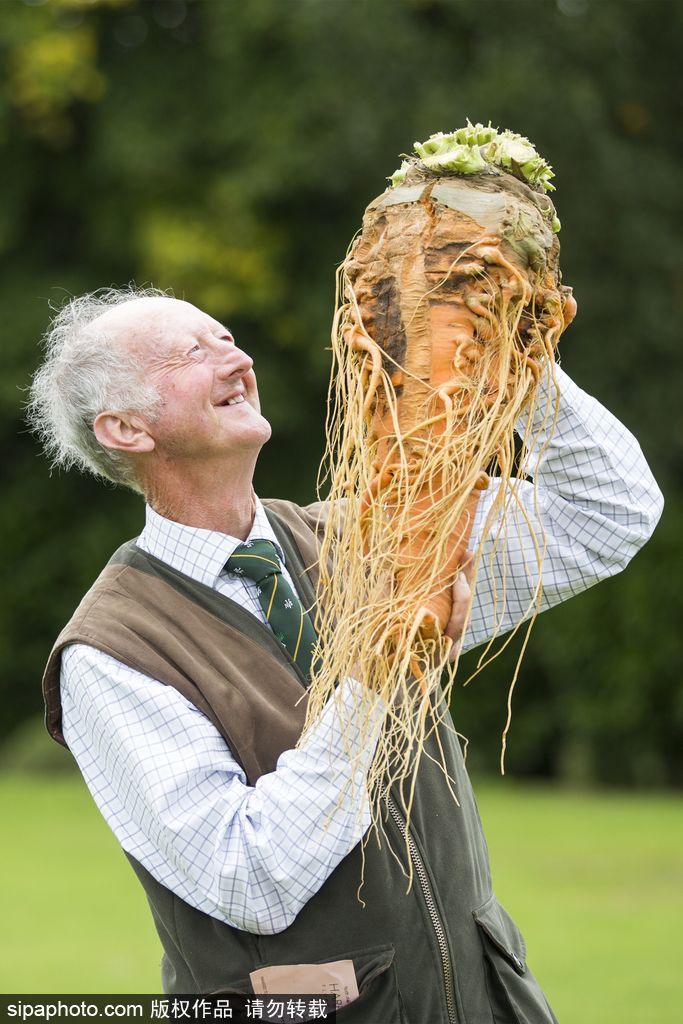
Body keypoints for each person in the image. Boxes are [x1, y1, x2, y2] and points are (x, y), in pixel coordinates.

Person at [30, 287, 663, 1022]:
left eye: (227, 336)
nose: (236, 357)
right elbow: (251, 879)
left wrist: (514, 361)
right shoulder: (110, 652)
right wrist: (372, 678)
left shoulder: (373, 542)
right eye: (192, 352)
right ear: (125, 429)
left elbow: (605, 514)